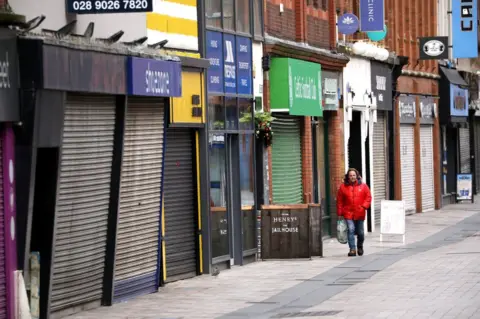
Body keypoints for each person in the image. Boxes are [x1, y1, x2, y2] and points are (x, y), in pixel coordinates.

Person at [336, 168, 372, 257]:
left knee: (360, 232)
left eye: (354, 175)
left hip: (360, 212)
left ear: (357, 176)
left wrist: (363, 206)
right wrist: (340, 213)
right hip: (348, 212)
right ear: (348, 177)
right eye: (350, 175)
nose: (352, 177)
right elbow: (339, 201)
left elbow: (368, 197)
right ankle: (352, 249)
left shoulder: (363, 186)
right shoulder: (343, 187)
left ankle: (360, 246)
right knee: (351, 229)